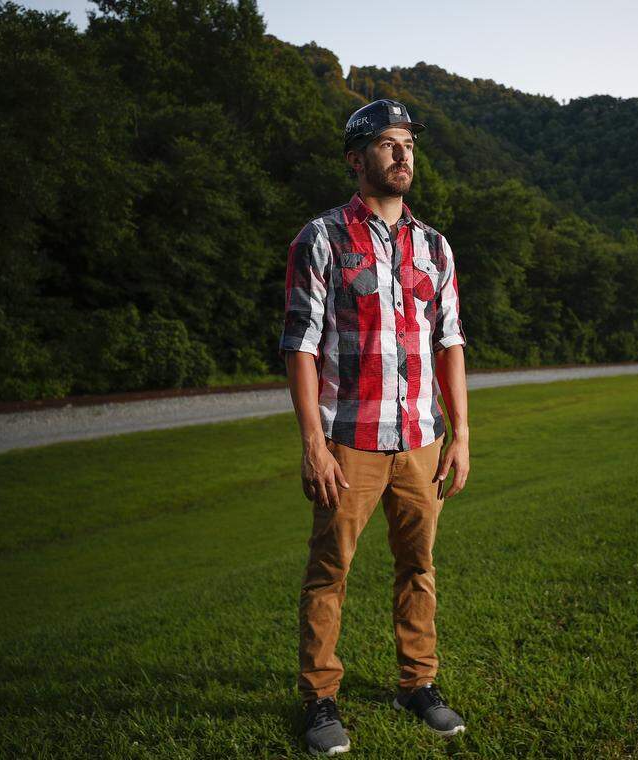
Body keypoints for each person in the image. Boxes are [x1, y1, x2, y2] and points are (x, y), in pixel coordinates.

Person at [278, 98, 471, 755]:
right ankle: (319, 702)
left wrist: (463, 436)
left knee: (418, 567)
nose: (403, 155)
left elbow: (450, 345)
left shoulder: (435, 246)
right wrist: (312, 444)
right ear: (356, 159)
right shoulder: (322, 238)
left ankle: (418, 685)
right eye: (389, 144)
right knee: (329, 572)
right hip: (349, 441)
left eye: (409, 144)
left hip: (422, 438)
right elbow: (299, 345)